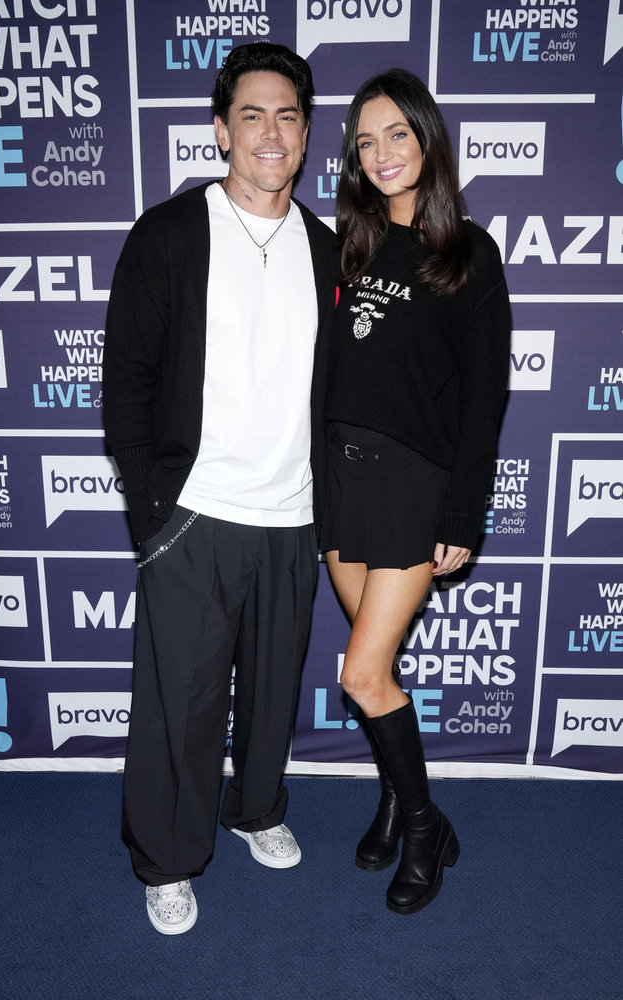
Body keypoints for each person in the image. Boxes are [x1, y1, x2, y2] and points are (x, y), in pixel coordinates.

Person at [102, 42, 337, 935]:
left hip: (293, 515)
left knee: (273, 690)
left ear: (306, 134)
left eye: (287, 116)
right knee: (181, 703)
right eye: (251, 114)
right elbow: (124, 378)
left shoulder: (326, 248)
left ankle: (256, 808)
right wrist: (151, 511)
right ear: (220, 130)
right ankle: (166, 857)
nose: (270, 132)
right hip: (195, 515)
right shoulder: (168, 234)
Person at [322, 68, 511, 915]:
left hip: (412, 483)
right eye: (366, 141)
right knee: (381, 669)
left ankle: (425, 826)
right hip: (337, 481)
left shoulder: (468, 252)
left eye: (396, 133)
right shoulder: (349, 246)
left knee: (362, 673)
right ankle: (399, 796)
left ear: (427, 139)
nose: (382, 153)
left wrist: (461, 511)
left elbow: (486, 395)